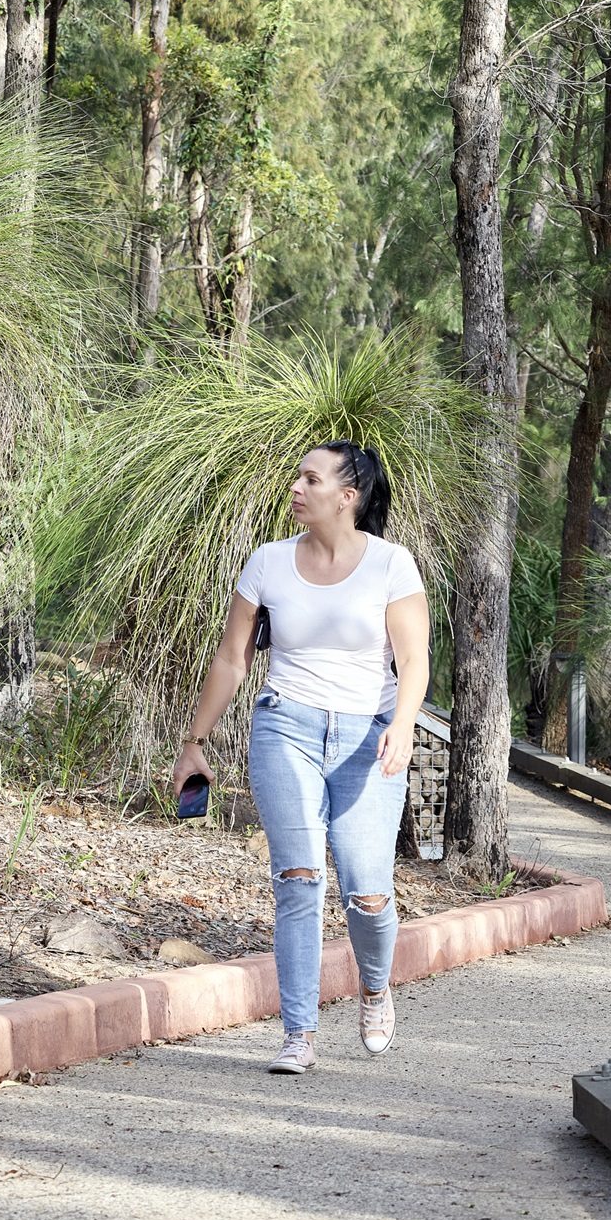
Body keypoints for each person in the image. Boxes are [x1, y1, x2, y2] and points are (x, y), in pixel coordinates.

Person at [173, 441, 429, 1074]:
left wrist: (402, 726)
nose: (295, 487)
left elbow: (415, 661)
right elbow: (232, 660)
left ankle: (374, 985)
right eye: (296, 476)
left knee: (367, 893)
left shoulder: (392, 565)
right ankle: (299, 1034)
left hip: (369, 736)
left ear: (348, 497)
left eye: (310, 479)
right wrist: (193, 743)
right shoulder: (268, 563)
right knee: (298, 880)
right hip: (285, 726)